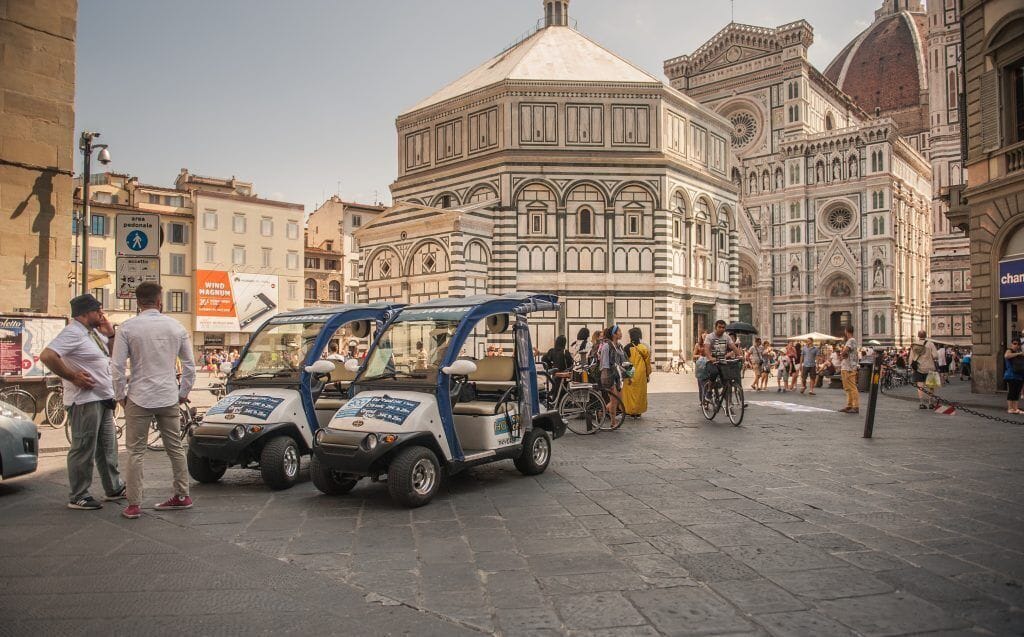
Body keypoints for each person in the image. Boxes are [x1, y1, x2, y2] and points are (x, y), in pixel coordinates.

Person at [112, 282, 196, 519]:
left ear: (138, 302)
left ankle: (134, 504)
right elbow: (189, 366)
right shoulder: (176, 327)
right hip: (169, 395)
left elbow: (117, 366)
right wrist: (183, 392)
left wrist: (120, 395)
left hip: (139, 395)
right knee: (176, 449)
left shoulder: (128, 328)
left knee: (135, 452)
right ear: (160, 302)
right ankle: (182, 495)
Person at [39, 294, 125, 510]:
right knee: (84, 446)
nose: (102, 314)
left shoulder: (93, 333)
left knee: (108, 447)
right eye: (98, 311)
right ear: (85, 313)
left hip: (103, 398)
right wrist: (72, 376)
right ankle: (79, 494)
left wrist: (111, 333)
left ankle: (113, 487)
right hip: (85, 400)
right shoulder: (72, 332)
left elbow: (111, 355)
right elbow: (48, 356)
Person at [597, 325, 627, 423]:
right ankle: (613, 421)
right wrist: (606, 377)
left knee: (618, 400)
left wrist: (628, 374)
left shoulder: (620, 346)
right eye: (619, 331)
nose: (621, 333)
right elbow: (604, 363)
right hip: (610, 376)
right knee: (614, 400)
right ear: (614, 334)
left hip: (618, 376)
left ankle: (601, 412)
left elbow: (624, 361)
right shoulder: (606, 346)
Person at [703, 320, 744, 388]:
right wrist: (710, 358)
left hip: (722, 360)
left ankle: (726, 394)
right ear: (715, 327)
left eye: (723, 327)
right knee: (714, 372)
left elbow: (733, 347)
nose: (721, 329)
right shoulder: (709, 337)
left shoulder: (726, 337)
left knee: (727, 376)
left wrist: (740, 355)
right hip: (711, 361)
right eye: (719, 327)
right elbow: (706, 349)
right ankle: (709, 391)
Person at [622, 327, 652, 417]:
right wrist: (647, 374)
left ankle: (630, 410)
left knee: (630, 393)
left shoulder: (627, 347)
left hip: (631, 372)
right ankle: (638, 411)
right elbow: (647, 363)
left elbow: (625, 362)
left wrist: (627, 375)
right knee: (639, 393)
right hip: (641, 374)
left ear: (631, 336)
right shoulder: (644, 348)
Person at [909, 330, 938, 410]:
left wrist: (912, 366)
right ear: (926, 335)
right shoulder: (930, 344)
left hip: (918, 368)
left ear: (918, 336)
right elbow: (935, 356)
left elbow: (911, 358)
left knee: (920, 386)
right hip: (930, 367)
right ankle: (930, 403)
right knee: (931, 386)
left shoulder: (914, 344)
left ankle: (921, 403)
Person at [838, 326, 860, 414]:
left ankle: (855, 406)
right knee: (847, 387)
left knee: (852, 387)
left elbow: (846, 350)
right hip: (847, 367)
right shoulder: (851, 341)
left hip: (849, 368)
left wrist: (841, 355)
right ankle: (849, 405)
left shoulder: (851, 340)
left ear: (846, 331)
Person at [1003, 339, 1024, 414]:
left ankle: (1015, 408)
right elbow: (1006, 356)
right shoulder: (1009, 350)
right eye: (1014, 343)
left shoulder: (1019, 352)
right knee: (1012, 392)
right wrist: (1018, 354)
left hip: (1020, 375)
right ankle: (1010, 408)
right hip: (1011, 375)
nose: (1016, 345)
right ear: (1011, 344)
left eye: (1018, 344)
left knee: (1017, 392)